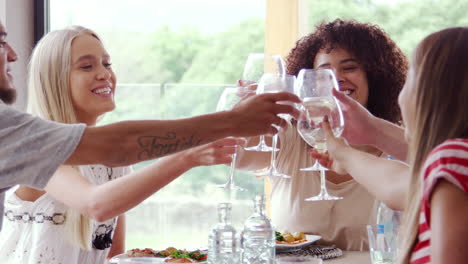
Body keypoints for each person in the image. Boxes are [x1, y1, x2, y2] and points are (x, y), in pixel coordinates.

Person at [0, 20, 301, 232]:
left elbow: (113, 256)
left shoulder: (113, 165)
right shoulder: (40, 150)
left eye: (107, 64)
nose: (105, 74)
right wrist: (191, 153)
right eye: (87, 66)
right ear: (54, 79)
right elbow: (97, 204)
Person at [236, 19, 408, 250]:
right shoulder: (289, 135)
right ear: (305, 85)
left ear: (375, 77)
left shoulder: (397, 146)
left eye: (349, 68)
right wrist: (243, 116)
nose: (336, 79)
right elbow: (239, 157)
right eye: (323, 73)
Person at [318, 27, 468, 264]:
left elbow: (401, 185)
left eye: (409, 80)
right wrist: (369, 132)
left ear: (429, 92)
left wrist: (342, 152)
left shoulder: (452, 158)